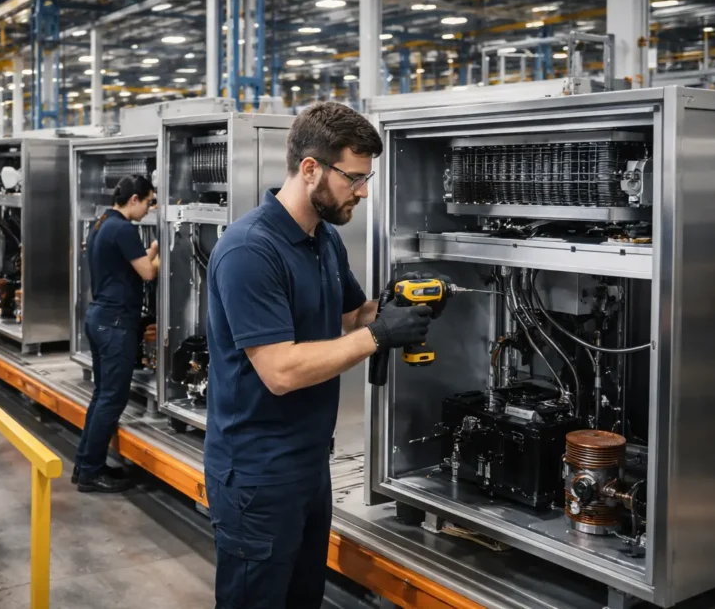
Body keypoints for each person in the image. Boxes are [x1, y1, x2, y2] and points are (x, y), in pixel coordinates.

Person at [204, 102, 447, 609]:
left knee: (301, 598)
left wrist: (402, 305)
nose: (362, 191)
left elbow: (355, 316)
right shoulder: (251, 249)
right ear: (310, 168)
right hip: (257, 473)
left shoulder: (323, 240)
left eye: (367, 179)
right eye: (353, 178)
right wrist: (380, 336)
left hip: (310, 463)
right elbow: (281, 371)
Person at [74, 174, 158, 493]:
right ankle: (90, 472)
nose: (150, 209)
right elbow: (148, 273)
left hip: (99, 318)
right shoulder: (123, 229)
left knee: (101, 395)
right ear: (133, 199)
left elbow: (128, 268)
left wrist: (148, 250)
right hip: (115, 324)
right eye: (149, 202)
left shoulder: (102, 223)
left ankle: (86, 464)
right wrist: (166, 252)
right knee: (112, 398)